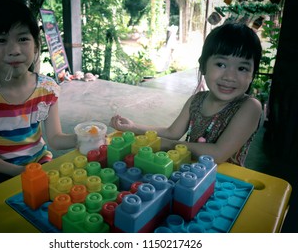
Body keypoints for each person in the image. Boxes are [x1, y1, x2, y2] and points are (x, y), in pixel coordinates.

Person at [110, 22, 263, 166]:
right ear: (203, 66)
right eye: (221, 64)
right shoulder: (196, 101)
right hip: (190, 174)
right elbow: (172, 132)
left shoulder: (249, 107)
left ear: (252, 74)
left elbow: (218, 153)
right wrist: (134, 127)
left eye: (242, 68)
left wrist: (167, 145)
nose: (230, 76)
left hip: (228, 185)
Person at [0, 0, 77, 190]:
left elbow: (55, 138)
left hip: (38, 163)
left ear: (36, 44)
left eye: (23, 39)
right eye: (1, 40)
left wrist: (83, 138)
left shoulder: (48, 89)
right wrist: (18, 172)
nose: (14, 50)